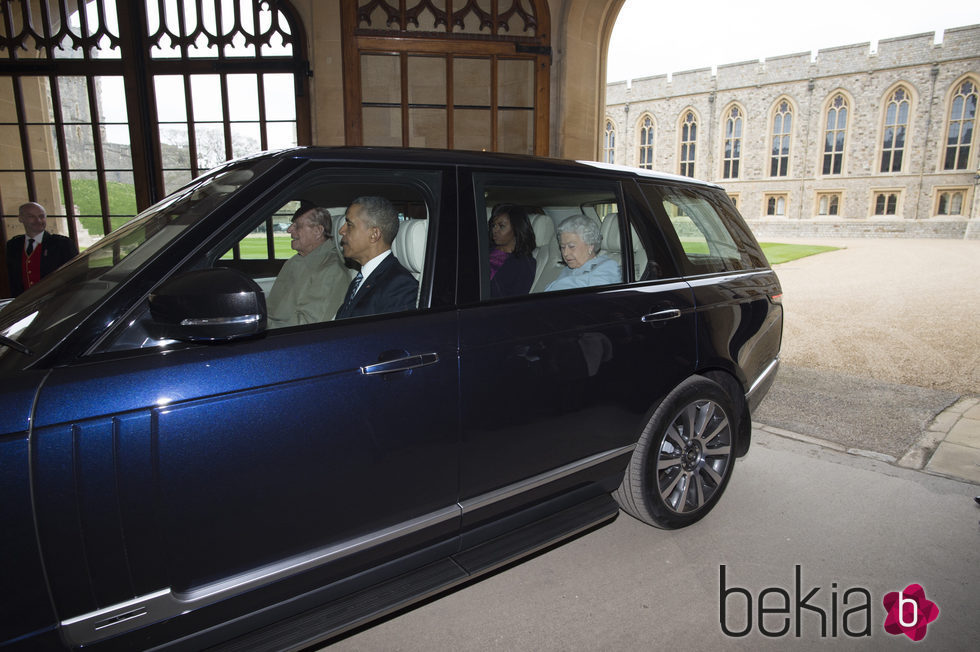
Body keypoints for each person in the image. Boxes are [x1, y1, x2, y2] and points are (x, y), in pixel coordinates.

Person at [334, 196, 417, 320]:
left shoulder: (400, 286)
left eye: (349, 225)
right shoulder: (360, 279)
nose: (341, 231)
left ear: (374, 235)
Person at [266, 204, 349, 328]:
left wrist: (261, 326)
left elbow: (307, 327)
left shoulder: (331, 271)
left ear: (317, 231)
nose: (289, 230)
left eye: (297, 226)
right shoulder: (295, 261)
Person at [5, 202, 78, 297]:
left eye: (41, 216)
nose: (38, 220)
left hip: (55, 302)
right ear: (20, 218)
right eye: (31, 216)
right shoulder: (13, 245)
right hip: (21, 304)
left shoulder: (62, 244)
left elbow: (75, 275)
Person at [544, 214, 620, 292]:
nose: (565, 253)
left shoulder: (606, 267)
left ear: (590, 246)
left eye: (571, 246)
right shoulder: (567, 270)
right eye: (562, 247)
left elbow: (599, 299)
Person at [488, 204, 536, 297]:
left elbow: (515, 302)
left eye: (501, 226)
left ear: (516, 228)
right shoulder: (483, 250)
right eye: (493, 225)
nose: (494, 230)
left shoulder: (524, 264)